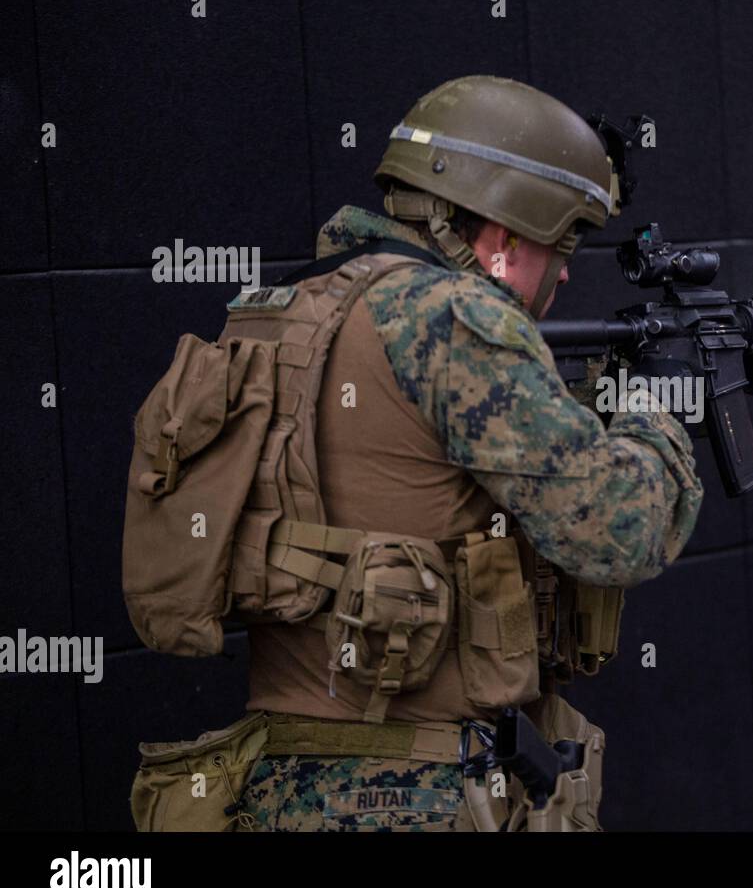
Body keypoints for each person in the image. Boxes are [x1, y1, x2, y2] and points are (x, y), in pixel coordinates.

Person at [126, 75, 702, 832]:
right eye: (561, 249)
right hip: (419, 794)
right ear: (501, 241)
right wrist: (656, 412)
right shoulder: (454, 317)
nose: (560, 279)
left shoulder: (280, 314)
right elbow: (617, 529)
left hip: (274, 787)